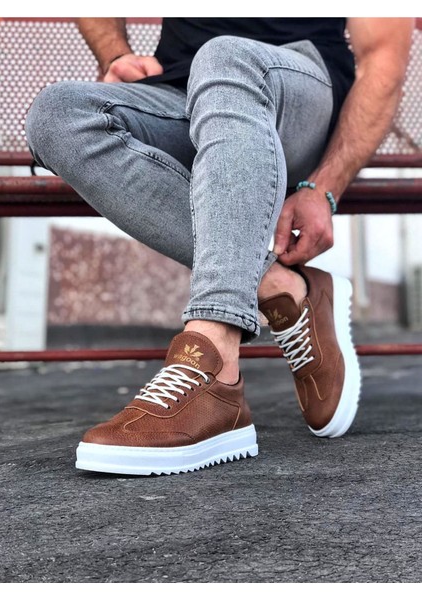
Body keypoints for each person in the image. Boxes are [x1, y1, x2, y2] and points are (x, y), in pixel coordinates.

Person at [25, 17, 413, 476]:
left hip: (297, 94)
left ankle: (214, 365)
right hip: (180, 91)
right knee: (58, 114)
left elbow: (382, 59)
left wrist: (323, 188)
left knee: (225, 56)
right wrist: (115, 52)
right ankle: (282, 287)